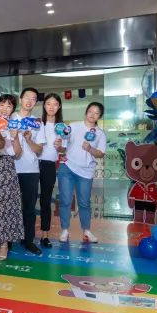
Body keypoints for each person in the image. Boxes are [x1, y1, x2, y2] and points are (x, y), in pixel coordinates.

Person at [56, 101, 107, 243]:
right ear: (86, 112)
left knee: (84, 203)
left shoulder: (100, 134)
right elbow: (63, 148)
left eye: (96, 113)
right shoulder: (73, 126)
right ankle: (64, 230)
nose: (92, 115)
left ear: (99, 117)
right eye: (91, 111)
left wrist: (90, 149)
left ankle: (87, 231)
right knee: (65, 200)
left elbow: (101, 154)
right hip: (67, 167)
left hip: (86, 171)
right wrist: (58, 146)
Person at [0, 95, 24, 260]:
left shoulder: (14, 125)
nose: (5, 108)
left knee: (5, 207)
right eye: (2, 105)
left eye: (9, 106)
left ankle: (3, 243)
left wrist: (15, 136)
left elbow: (17, 153)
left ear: (12, 110)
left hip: (6, 166)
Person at [12, 87, 44, 255]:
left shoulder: (37, 123)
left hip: (31, 170)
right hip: (10, 168)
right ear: (20, 99)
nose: (29, 101)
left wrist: (29, 140)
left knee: (29, 207)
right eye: (27, 97)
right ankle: (8, 240)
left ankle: (28, 240)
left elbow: (39, 150)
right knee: (10, 206)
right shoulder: (10, 118)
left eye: (33, 99)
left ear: (35, 103)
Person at [37, 93, 62, 248]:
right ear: (44, 105)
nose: (51, 107)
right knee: (27, 200)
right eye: (48, 103)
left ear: (59, 107)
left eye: (55, 104)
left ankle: (45, 235)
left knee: (46, 201)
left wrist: (60, 146)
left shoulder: (62, 127)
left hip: (49, 165)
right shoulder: (37, 123)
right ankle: (23, 234)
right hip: (33, 164)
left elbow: (65, 148)